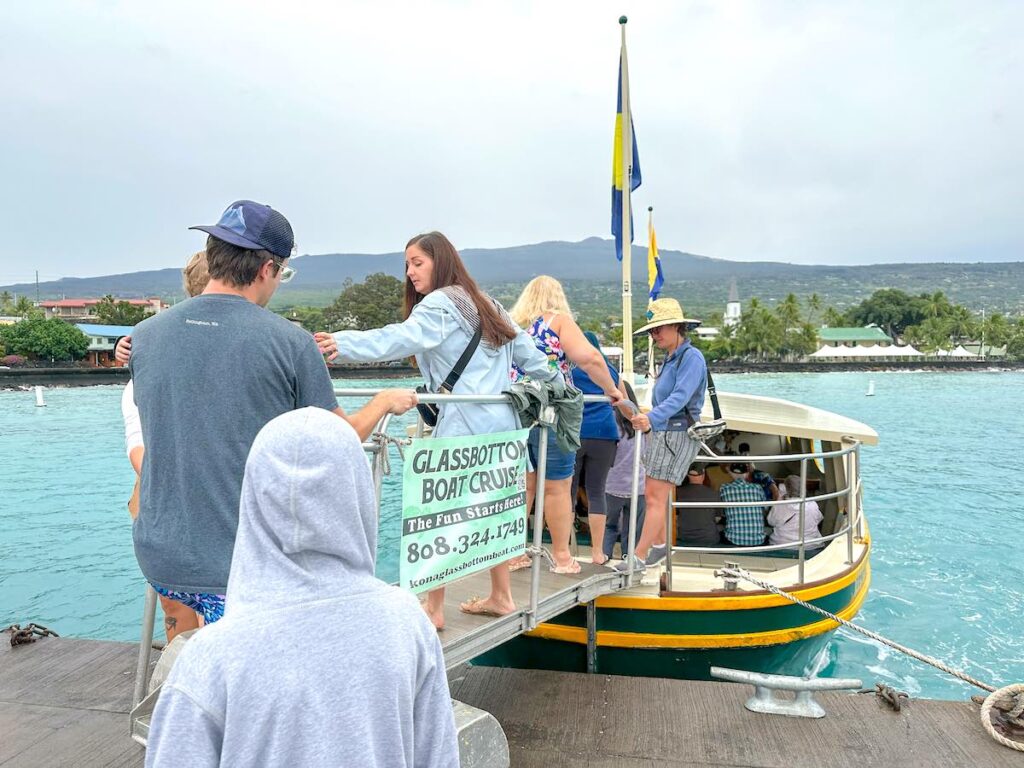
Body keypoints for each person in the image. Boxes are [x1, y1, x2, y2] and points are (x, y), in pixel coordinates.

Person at [128, 200, 416, 625]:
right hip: (244, 567)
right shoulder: (290, 342)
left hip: (161, 558)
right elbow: (340, 437)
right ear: (267, 269)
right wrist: (383, 401)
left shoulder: (144, 336)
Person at [144, 408, 459, 768]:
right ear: (357, 492)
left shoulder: (212, 658)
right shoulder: (407, 622)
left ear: (252, 497)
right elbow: (439, 757)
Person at [329, 231, 556, 629]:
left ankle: (433, 609)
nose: (410, 272)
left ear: (441, 261)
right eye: (407, 265)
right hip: (502, 428)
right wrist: (560, 387)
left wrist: (340, 344)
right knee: (494, 509)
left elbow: (397, 339)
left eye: (417, 263)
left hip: (462, 427)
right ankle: (501, 595)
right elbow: (528, 355)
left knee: (439, 513)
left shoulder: (440, 304)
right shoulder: (490, 304)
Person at [122, 252, 211, 641]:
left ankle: (181, 684)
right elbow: (138, 449)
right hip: (179, 496)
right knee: (183, 606)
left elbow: (136, 446)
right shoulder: (150, 357)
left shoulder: (149, 350)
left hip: (162, 497)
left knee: (179, 607)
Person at [509, 276, 626, 575]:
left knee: (523, 486)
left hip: (514, 413)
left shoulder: (512, 327)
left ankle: (511, 554)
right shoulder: (556, 321)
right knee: (558, 487)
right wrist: (611, 389)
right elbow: (589, 358)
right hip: (548, 412)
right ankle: (562, 557)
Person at [618, 298, 707, 572]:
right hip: (666, 432)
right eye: (652, 331)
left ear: (677, 327)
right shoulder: (672, 358)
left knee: (655, 497)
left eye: (658, 329)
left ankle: (639, 557)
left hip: (676, 433)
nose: (654, 335)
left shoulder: (691, 357)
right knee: (655, 493)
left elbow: (680, 397)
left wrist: (651, 418)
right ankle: (659, 547)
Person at [570, 331, 625, 564]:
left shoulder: (569, 371)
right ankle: (597, 553)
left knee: (566, 493)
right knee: (596, 492)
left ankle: (564, 552)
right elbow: (621, 399)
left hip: (574, 434)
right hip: (604, 435)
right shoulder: (610, 371)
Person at [601, 392, 646, 560]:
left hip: (612, 484)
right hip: (638, 486)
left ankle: (604, 556)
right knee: (633, 528)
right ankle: (630, 558)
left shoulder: (610, 421)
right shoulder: (642, 422)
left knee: (608, 526)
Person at [719, 462, 769, 547]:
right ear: (746, 473)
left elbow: (721, 512)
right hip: (759, 540)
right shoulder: (757, 488)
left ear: (730, 473)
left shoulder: (724, 488)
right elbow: (765, 509)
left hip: (733, 539)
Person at [767, 474, 823, 548]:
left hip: (782, 544)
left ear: (786, 489)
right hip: (810, 545)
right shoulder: (813, 504)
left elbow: (771, 521)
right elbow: (819, 519)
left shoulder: (781, 504)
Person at [674, 464, 721, 547]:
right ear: (704, 475)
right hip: (709, 539)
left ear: (687, 475)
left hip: (684, 538)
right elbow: (717, 518)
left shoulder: (677, 492)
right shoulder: (714, 493)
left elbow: (675, 517)